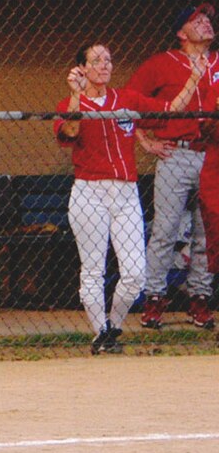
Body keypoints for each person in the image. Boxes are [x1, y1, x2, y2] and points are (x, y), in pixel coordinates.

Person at [54, 41, 204, 354]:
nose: (105, 65)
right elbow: (69, 132)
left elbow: (170, 111)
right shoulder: (72, 102)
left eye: (108, 59)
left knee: (135, 272)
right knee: (93, 269)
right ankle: (101, 334)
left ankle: (113, 327)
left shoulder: (125, 99)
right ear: (82, 68)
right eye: (96, 60)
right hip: (89, 191)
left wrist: (193, 79)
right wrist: (75, 96)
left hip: (124, 192)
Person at [128, 1, 216, 330]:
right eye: (197, 19)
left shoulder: (218, 63)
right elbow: (127, 103)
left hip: (212, 154)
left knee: (208, 234)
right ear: (181, 33)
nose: (206, 23)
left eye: (207, 18)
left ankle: (200, 298)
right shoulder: (161, 64)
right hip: (175, 153)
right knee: (164, 231)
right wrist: (145, 141)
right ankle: (154, 298)